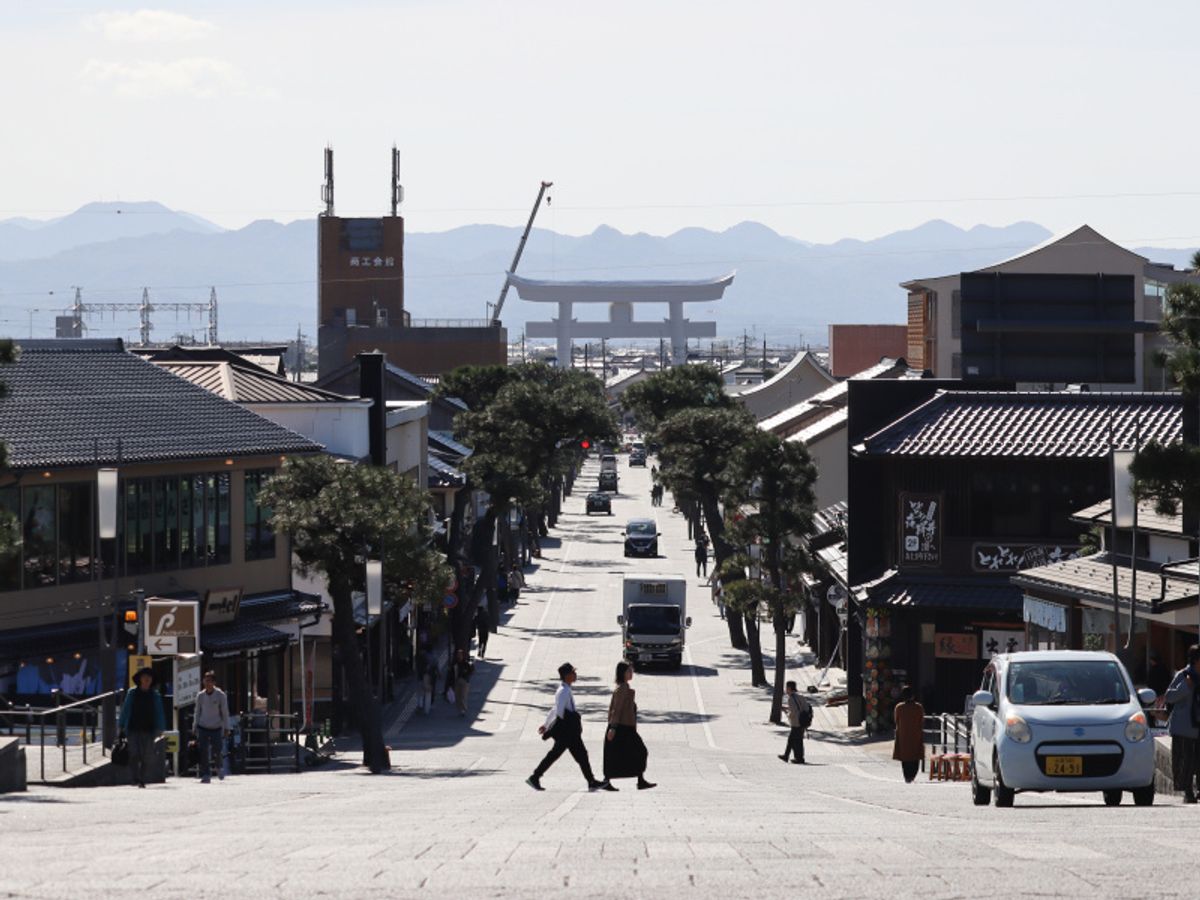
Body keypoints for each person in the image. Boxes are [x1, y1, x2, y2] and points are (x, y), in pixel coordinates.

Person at [527, 662, 614, 792]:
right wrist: (550, 728)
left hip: (569, 732)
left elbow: (555, 709)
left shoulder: (565, 689)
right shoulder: (563, 691)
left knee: (579, 755)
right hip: (567, 732)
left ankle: (591, 781)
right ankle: (535, 777)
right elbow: (559, 712)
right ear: (567, 675)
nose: (575, 674)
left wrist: (546, 725)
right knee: (559, 755)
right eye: (573, 672)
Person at [605, 661, 656, 789]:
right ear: (623, 673)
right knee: (639, 751)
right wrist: (613, 728)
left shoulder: (624, 687)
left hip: (624, 727)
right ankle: (638, 779)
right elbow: (617, 709)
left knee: (623, 753)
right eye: (628, 671)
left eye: (631, 670)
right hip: (622, 727)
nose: (631, 672)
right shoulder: (622, 688)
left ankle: (640, 779)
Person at [118, 666, 165, 788]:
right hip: (133, 728)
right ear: (139, 679)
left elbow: (159, 712)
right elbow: (126, 709)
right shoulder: (132, 693)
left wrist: (160, 728)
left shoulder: (155, 695)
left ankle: (142, 779)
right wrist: (121, 725)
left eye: (149, 678)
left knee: (146, 755)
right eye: (144, 677)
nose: (146, 680)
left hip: (149, 729)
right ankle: (135, 777)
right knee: (134, 753)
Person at [1165, 644, 1200, 803]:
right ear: (1195, 661)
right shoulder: (1183, 675)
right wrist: (1185, 686)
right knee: (1185, 761)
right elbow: (1169, 697)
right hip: (1185, 727)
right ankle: (1188, 792)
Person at [193, 670, 230, 783]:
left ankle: (219, 767)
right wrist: (195, 726)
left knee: (217, 751)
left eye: (210, 681)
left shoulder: (220, 695)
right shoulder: (200, 696)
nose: (207, 683)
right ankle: (206, 774)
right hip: (203, 726)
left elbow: (224, 712)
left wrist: (227, 727)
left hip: (216, 727)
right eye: (205, 680)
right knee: (203, 751)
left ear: (214, 682)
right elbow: (197, 712)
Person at [892, 684, 926, 783]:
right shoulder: (918, 707)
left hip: (903, 735)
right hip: (915, 734)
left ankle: (907, 776)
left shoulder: (899, 707)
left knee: (905, 757)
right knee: (915, 755)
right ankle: (913, 775)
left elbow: (896, 720)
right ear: (913, 695)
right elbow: (921, 721)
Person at [779, 680, 813, 764]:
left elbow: (793, 711)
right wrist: (787, 708)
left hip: (796, 723)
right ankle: (787, 756)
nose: (786, 690)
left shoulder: (791, 699)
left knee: (796, 741)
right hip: (802, 722)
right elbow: (805, 708)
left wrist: (787, 713)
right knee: (794, 740)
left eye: (786, 688)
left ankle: (798, 758)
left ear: (789, 688)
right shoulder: (801, 696)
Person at [452, 648, 474, 717]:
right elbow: (452, 673)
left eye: (460, 655)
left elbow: (471, 670)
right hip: (457, 680)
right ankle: (460, 708)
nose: (459, 656)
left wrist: (466, 675)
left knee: (463, 695)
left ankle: (463, 709)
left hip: (464, 681)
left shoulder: (466, 663)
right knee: (458, 696)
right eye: (458, 655)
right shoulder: (455, 663)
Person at [421, 647, 439, 715]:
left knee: (425, 690)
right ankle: (429, 705)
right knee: (431, 690)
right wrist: (439, 673)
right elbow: (436, 666)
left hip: (425, 675)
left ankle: (424, 705)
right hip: (432, 675)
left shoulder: (424, 657)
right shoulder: (434, 657)